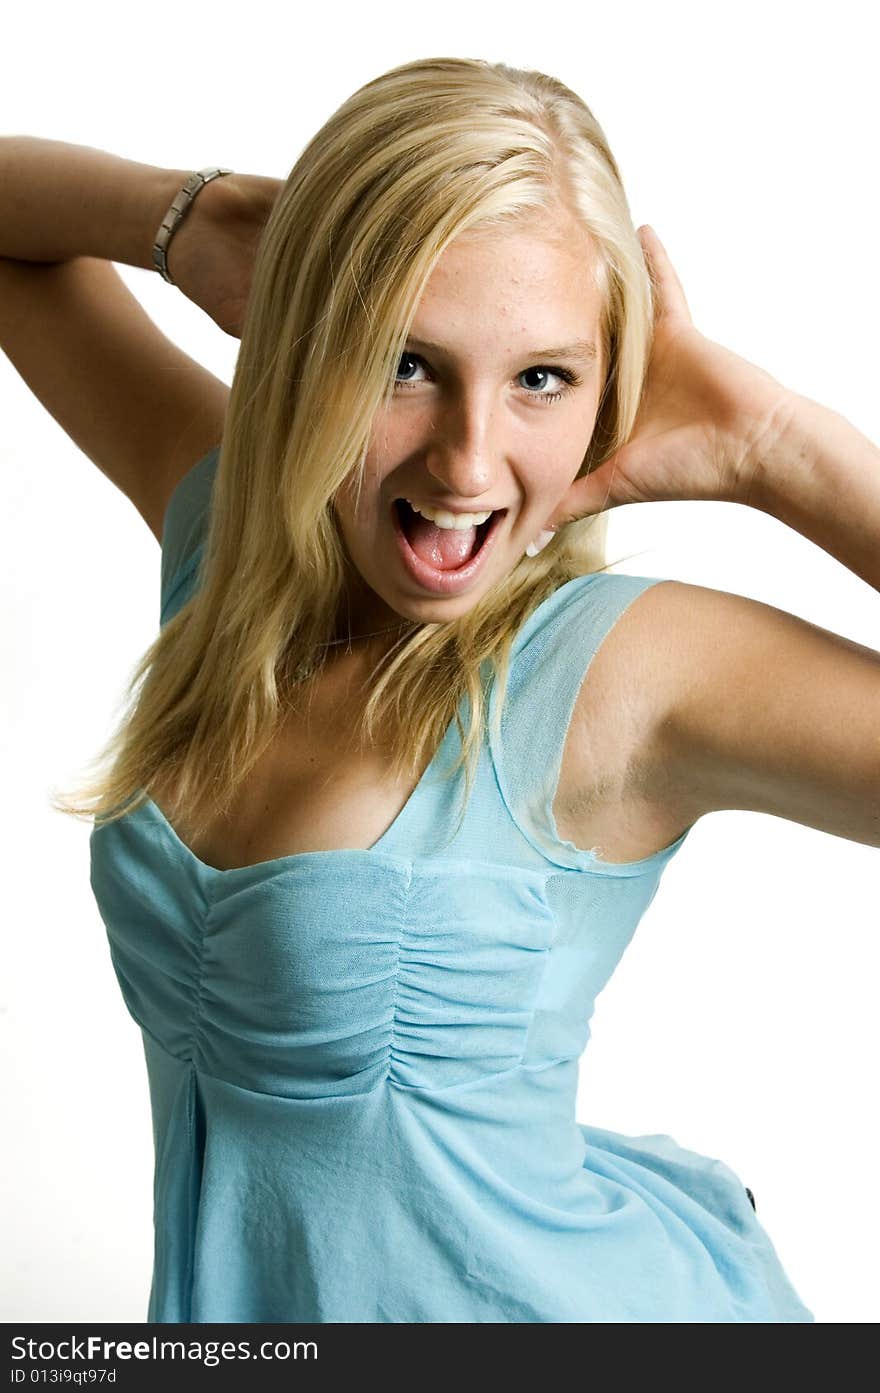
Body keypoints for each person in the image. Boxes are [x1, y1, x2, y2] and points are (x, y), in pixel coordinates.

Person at [2, 56, 877, 1324]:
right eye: (403, 361)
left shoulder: (622, 675)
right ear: (308, 342)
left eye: (541, 379)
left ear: (606, 388)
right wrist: (198, 220)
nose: (469, 460)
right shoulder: (221, 544)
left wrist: (773, 444)